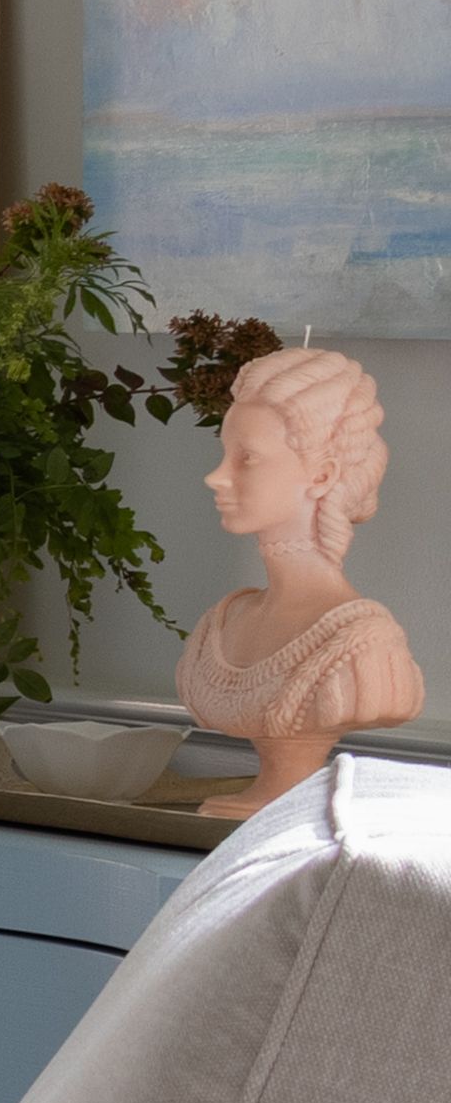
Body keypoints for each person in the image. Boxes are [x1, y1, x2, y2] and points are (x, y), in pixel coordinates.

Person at [179, 340, 421, 817]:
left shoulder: (364, 646)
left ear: (323, 475)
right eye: (224, 454)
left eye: (246, 457)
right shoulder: (223, 624)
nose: (216, 476)